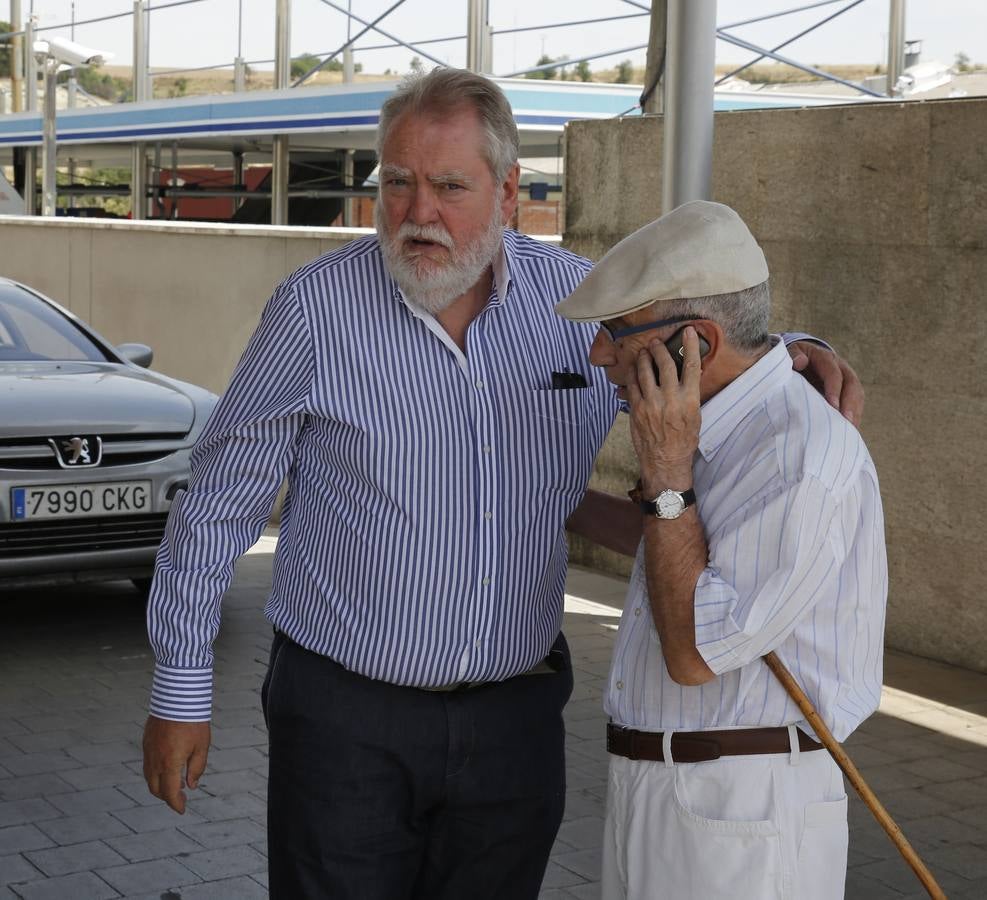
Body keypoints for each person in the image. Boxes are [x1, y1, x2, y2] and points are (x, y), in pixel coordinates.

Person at [141, 69, 863, 900]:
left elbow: (707, 340)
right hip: (343, 723)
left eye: (450, 187)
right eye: (400, 183)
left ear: (510, 191)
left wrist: (792, 353)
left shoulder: (577, 306)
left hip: (514, 724)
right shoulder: (315, 311)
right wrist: (180, 690)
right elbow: (216, 509)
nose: (418, 215)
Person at [556, 200, 887, 900]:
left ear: (696, 345)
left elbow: (694, 653)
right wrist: (559, 503)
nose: (597, 354)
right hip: (668, 790)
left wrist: (668, 474)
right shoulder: (718, 417)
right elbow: (674, 550)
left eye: (615, 332)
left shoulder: (798, 454)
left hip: (740, 810)